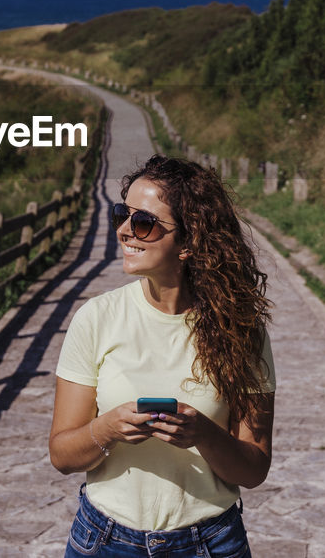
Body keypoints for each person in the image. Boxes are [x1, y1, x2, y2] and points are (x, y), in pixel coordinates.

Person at [49, 154, 275, 557]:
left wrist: (202, 434)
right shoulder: (96, 318)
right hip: (104, 541)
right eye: (123, 215)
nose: (123, 231)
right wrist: (108, 429)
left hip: (210, 544)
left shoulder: (241, 330)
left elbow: (254, 469)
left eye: (143, 223)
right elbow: (62, 456)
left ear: (188, 242)